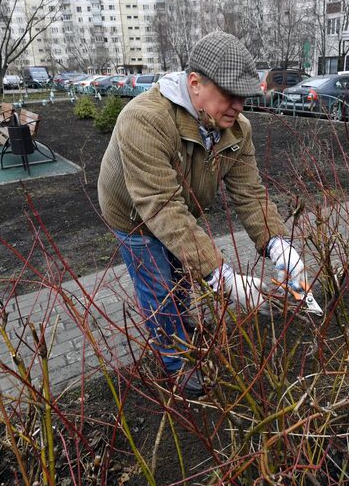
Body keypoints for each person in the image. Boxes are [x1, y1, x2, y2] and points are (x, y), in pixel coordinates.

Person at [97, 31, 308, 398]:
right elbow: (162, 208)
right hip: (133, 214)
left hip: (176, 207)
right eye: (230, 94)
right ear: (194, 83)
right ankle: (177, 363)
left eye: (245, 96)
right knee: (158, 288)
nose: (240, 105)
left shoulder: (236, 129)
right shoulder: (145, 121)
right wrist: (222, 275)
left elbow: (249, 192)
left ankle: (182, 322)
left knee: (179, 271)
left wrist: (278, 244)